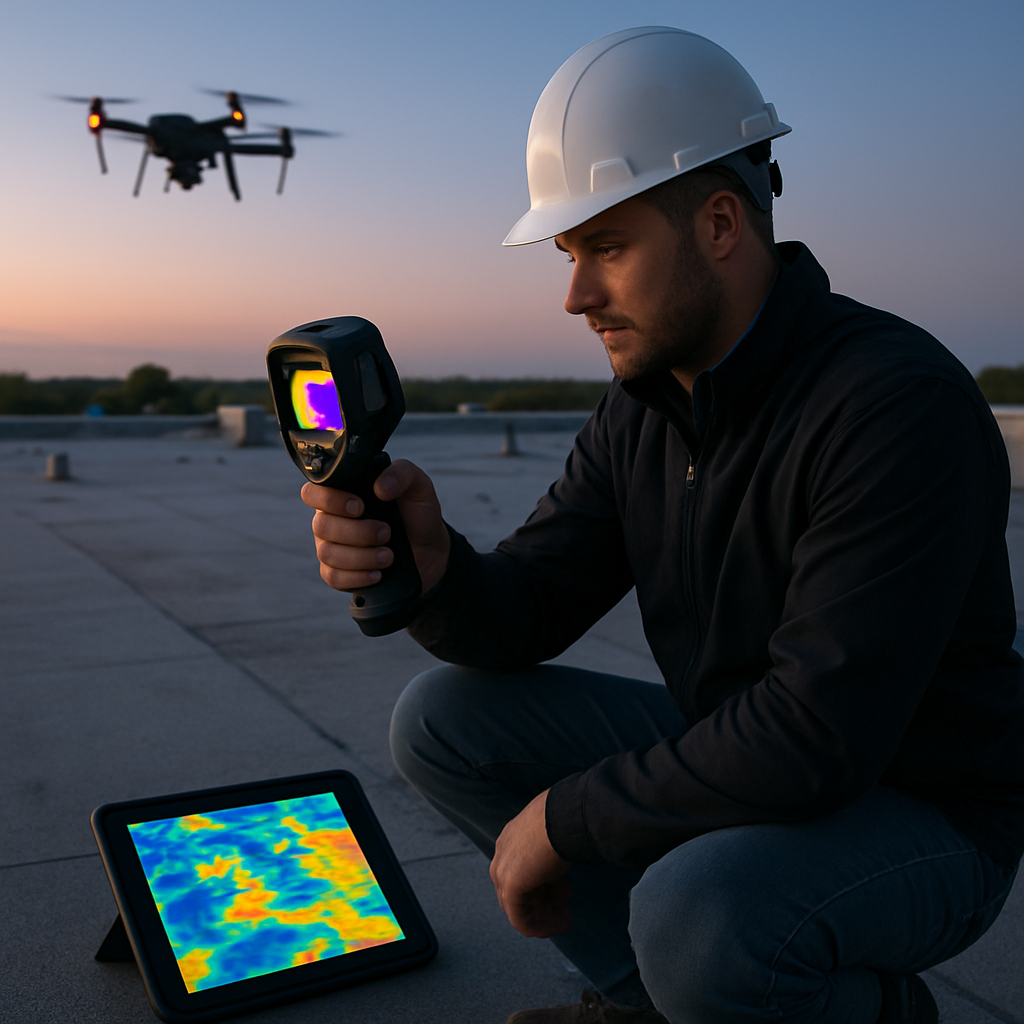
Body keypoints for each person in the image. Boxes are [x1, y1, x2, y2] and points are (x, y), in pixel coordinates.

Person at [301, 27, 1024, 1024]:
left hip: (924, 814)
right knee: (443, 719)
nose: (573, 295)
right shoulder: (644, 407)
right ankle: (646, 1007)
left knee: (701, 910)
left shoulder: (892, 404)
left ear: (720, 222)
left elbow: (818, 736)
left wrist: (567, 818)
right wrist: (435, 572)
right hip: (755, 755)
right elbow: (529, 608)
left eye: (606, 247)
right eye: (569, 253)